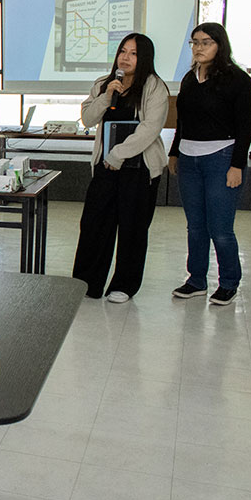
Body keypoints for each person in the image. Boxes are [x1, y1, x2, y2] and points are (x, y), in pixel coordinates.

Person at [72, 33, 169, 303]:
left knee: (132, 227)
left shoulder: (154, 86)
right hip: (105, 166)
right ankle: (87, 283)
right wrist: (106, 96)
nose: (125, 58)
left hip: (139, 168)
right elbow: (88, 119)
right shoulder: (104, 84)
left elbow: (150, 128)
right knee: (94, 224)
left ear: (144, 58)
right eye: (123, 51)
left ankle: (124, 285)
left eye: (133, 53)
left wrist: (119, 154)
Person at [168, 22, 251, 306]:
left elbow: (246, 127)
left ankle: (229, 283)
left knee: (220, 227)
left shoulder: (238, 80)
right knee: (195, 226)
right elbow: (183, 121)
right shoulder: (189, 79)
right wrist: (174, 152)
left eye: (205, 42)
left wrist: (237, 165)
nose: (198, 48)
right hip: (188, 158)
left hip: (222, 158)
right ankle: (196, 280)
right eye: (194, 42)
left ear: (220, 44)